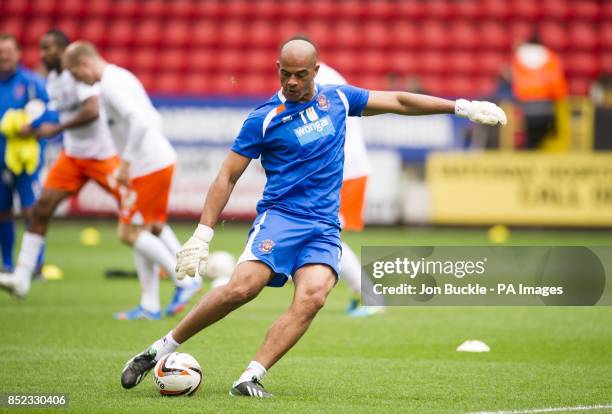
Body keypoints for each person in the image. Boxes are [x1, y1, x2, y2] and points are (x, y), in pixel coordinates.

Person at [117, 38, 506, 398]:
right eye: (284, 73)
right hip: (280, 219)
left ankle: (250, 376)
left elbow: (399, 102)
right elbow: (227, 175)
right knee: (242, 288)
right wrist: (202, 234)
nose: (291, 81)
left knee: (314, 296)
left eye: (300, 74)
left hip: (322, 227)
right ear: (277, 68)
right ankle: (158, 350)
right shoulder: (264, 118)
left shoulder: (338, 99)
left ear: (316, 71)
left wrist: (461, 107)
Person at [1, 39, 201, 319]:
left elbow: (140, 123)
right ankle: (150, 305)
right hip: (153, 160)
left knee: (130, 232)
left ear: (83, 64)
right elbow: (151, 117)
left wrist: (128, 162)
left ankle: (186, 280)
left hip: (147, 165)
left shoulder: (108, 85)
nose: (77, 80)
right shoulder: (121, 75)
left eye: (75, 73)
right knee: (143, 227)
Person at [315, 61, 383, 317]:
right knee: (325, 235)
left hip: (343, 171)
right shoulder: (327, 76)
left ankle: (369, 295)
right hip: (345, 169)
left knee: (328, 236)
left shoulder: (323, 82)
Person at [0, 33, 56, 275]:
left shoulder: (33, 83)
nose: (4, 56)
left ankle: (35, 265)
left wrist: (33, 125)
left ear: (18, 54)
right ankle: (8, 263)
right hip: (0, 160)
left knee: (32, 211)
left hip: (27, 162)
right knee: (2, 212)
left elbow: (53, 113)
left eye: (8, 51)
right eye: (1, 52)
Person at [511, 33, 567, 149]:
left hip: (524, 106)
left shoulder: (518, 57)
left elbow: (516, 82)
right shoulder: (550, 56)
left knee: (531, 138)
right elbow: (557, 84)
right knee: (540, 137)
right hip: (546, 106)